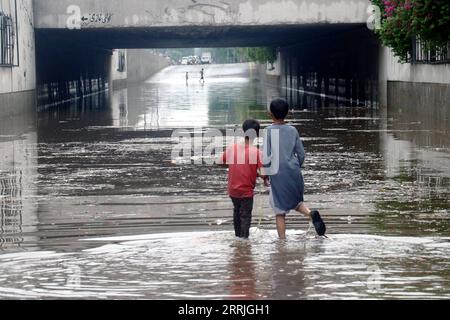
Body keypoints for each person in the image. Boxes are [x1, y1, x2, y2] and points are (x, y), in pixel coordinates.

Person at [263, 98, 326, 239]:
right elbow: (301, 154)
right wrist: (296, 167)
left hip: (277, 172)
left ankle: (282, 243)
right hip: (294, 170)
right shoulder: (293, 130)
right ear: (288, 113)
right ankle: (310, 213)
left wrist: (265, 175)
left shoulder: (268, 131)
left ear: (270, 114)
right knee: (295, 202)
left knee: (279, 211)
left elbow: (266, 157)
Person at [218, 119, 264, 239]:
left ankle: (237, 236)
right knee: (245, 215)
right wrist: (260, 175)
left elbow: (219, 162)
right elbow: (264, 173)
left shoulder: (232, 148)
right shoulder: (257, 152)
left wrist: (231, 164)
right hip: (246, 191)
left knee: (237, 211)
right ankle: (244, 240)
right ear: (257, 135)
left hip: (233, 189)